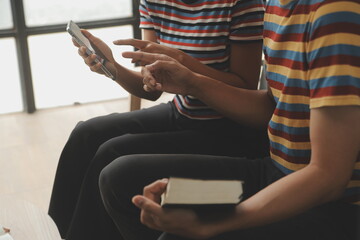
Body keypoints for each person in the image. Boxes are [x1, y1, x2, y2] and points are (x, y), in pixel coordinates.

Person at [98, 0, 360, 239]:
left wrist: (215, 223)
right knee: (119, 175)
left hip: (334, 207)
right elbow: (272, 108)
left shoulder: (334, 15)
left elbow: (328, 178)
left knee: (178, 234)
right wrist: (193, 83)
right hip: (278, 169)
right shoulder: (277, 6)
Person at [48, 0, 268, 239]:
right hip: (182, 111)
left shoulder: (241, 4)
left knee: (110, 153)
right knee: (87, 134)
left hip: (228, 125)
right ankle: (53, 233)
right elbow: (151, 89)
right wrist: (112, 67)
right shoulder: (154, 2)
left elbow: (245, 87)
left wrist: (184, 64)